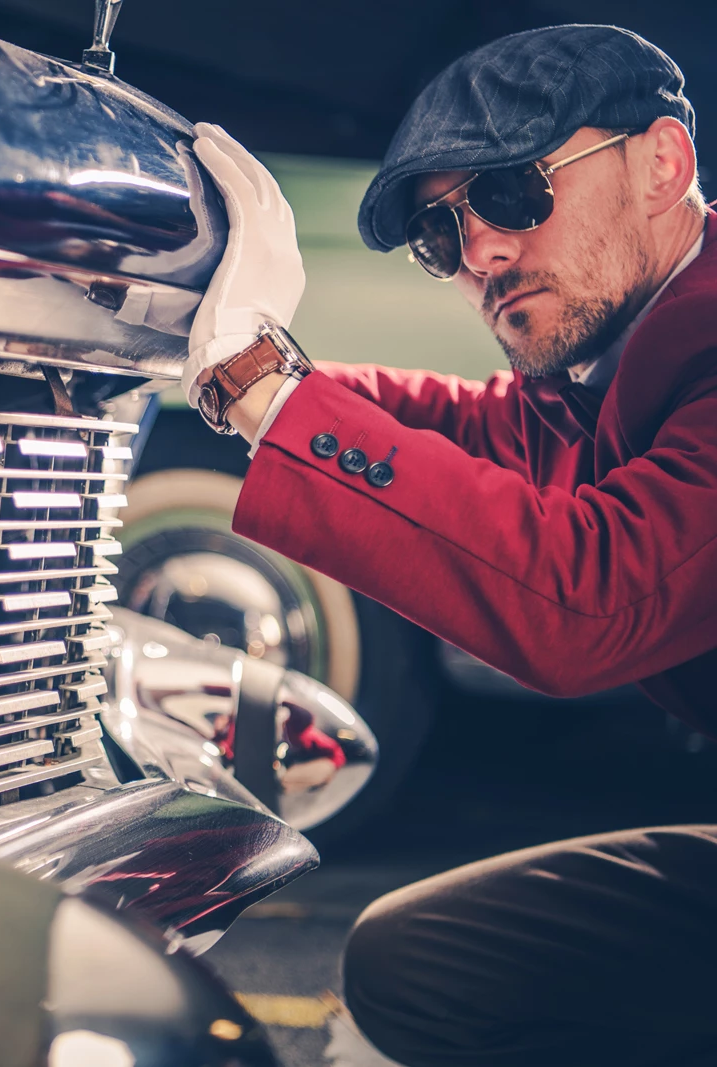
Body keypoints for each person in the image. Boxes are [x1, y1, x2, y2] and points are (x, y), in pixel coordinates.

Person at [181, 24, 717, 1067]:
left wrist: (262, 384)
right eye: (440, 232)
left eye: (513, 193)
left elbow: (590, 594)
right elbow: (454, 425)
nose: (479, 254)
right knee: (409, 964)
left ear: (663, 163)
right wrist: (215, 360)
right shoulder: (611, 372)